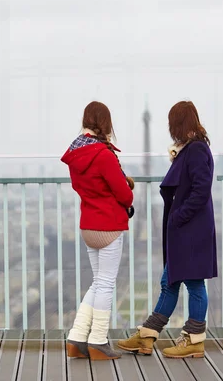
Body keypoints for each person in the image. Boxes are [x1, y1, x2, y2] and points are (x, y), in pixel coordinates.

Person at [117, 100, 217, 359]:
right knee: (170, 281)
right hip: (187, 229)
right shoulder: (191, 149)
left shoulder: (195, 150)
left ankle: (192, 340)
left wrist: (178, 217)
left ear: (178, 124)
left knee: (192, 283)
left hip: (190, 230)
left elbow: (201, 189)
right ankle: (148, 335)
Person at [61, 101, 135, 361]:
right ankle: (99, 340)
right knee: (105, 284)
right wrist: (128, 194)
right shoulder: (103, 154)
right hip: (108, 227)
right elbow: (123, 193)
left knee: (97, 282)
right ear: (105, 123)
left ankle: (77, 337)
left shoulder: (76, 153)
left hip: (88, 225)